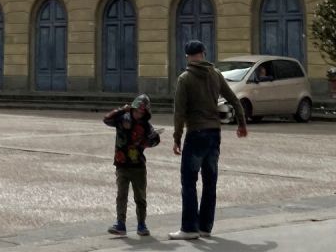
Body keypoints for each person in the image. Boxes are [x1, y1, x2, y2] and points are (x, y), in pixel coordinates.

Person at [169, 39, 247, 241]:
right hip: (214, 133)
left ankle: (189, 228)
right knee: (210, 181)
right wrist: (242, 124)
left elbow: (179, 113)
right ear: (203, 53)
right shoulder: (216, 74)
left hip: (195, 133)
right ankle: (205, 226)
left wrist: (177, 138)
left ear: (187, 56)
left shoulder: (184, 79)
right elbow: (234, 99)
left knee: (189, 181)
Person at [103, 94, 160, 237]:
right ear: (132, 108)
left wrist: (147, 141)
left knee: (140, 197)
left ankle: (141, 224)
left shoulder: (145, 125)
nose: (139, 114)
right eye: (136, 111)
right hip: (121, 164)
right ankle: (120, 224)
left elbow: (155, 140)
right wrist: (122, 110)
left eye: (142, 112)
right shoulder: (123, 119)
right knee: (121, 195)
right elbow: (106, 119)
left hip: (138, 166)